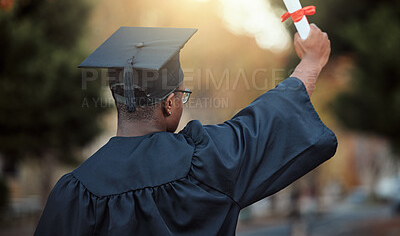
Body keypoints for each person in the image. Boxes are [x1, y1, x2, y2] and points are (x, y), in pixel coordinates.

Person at [35, 24, 337, 236]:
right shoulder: (205, 163)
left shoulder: (72, 193)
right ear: (169, 104)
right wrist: (312, 60)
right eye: (182, 95)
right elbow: (272, 118)